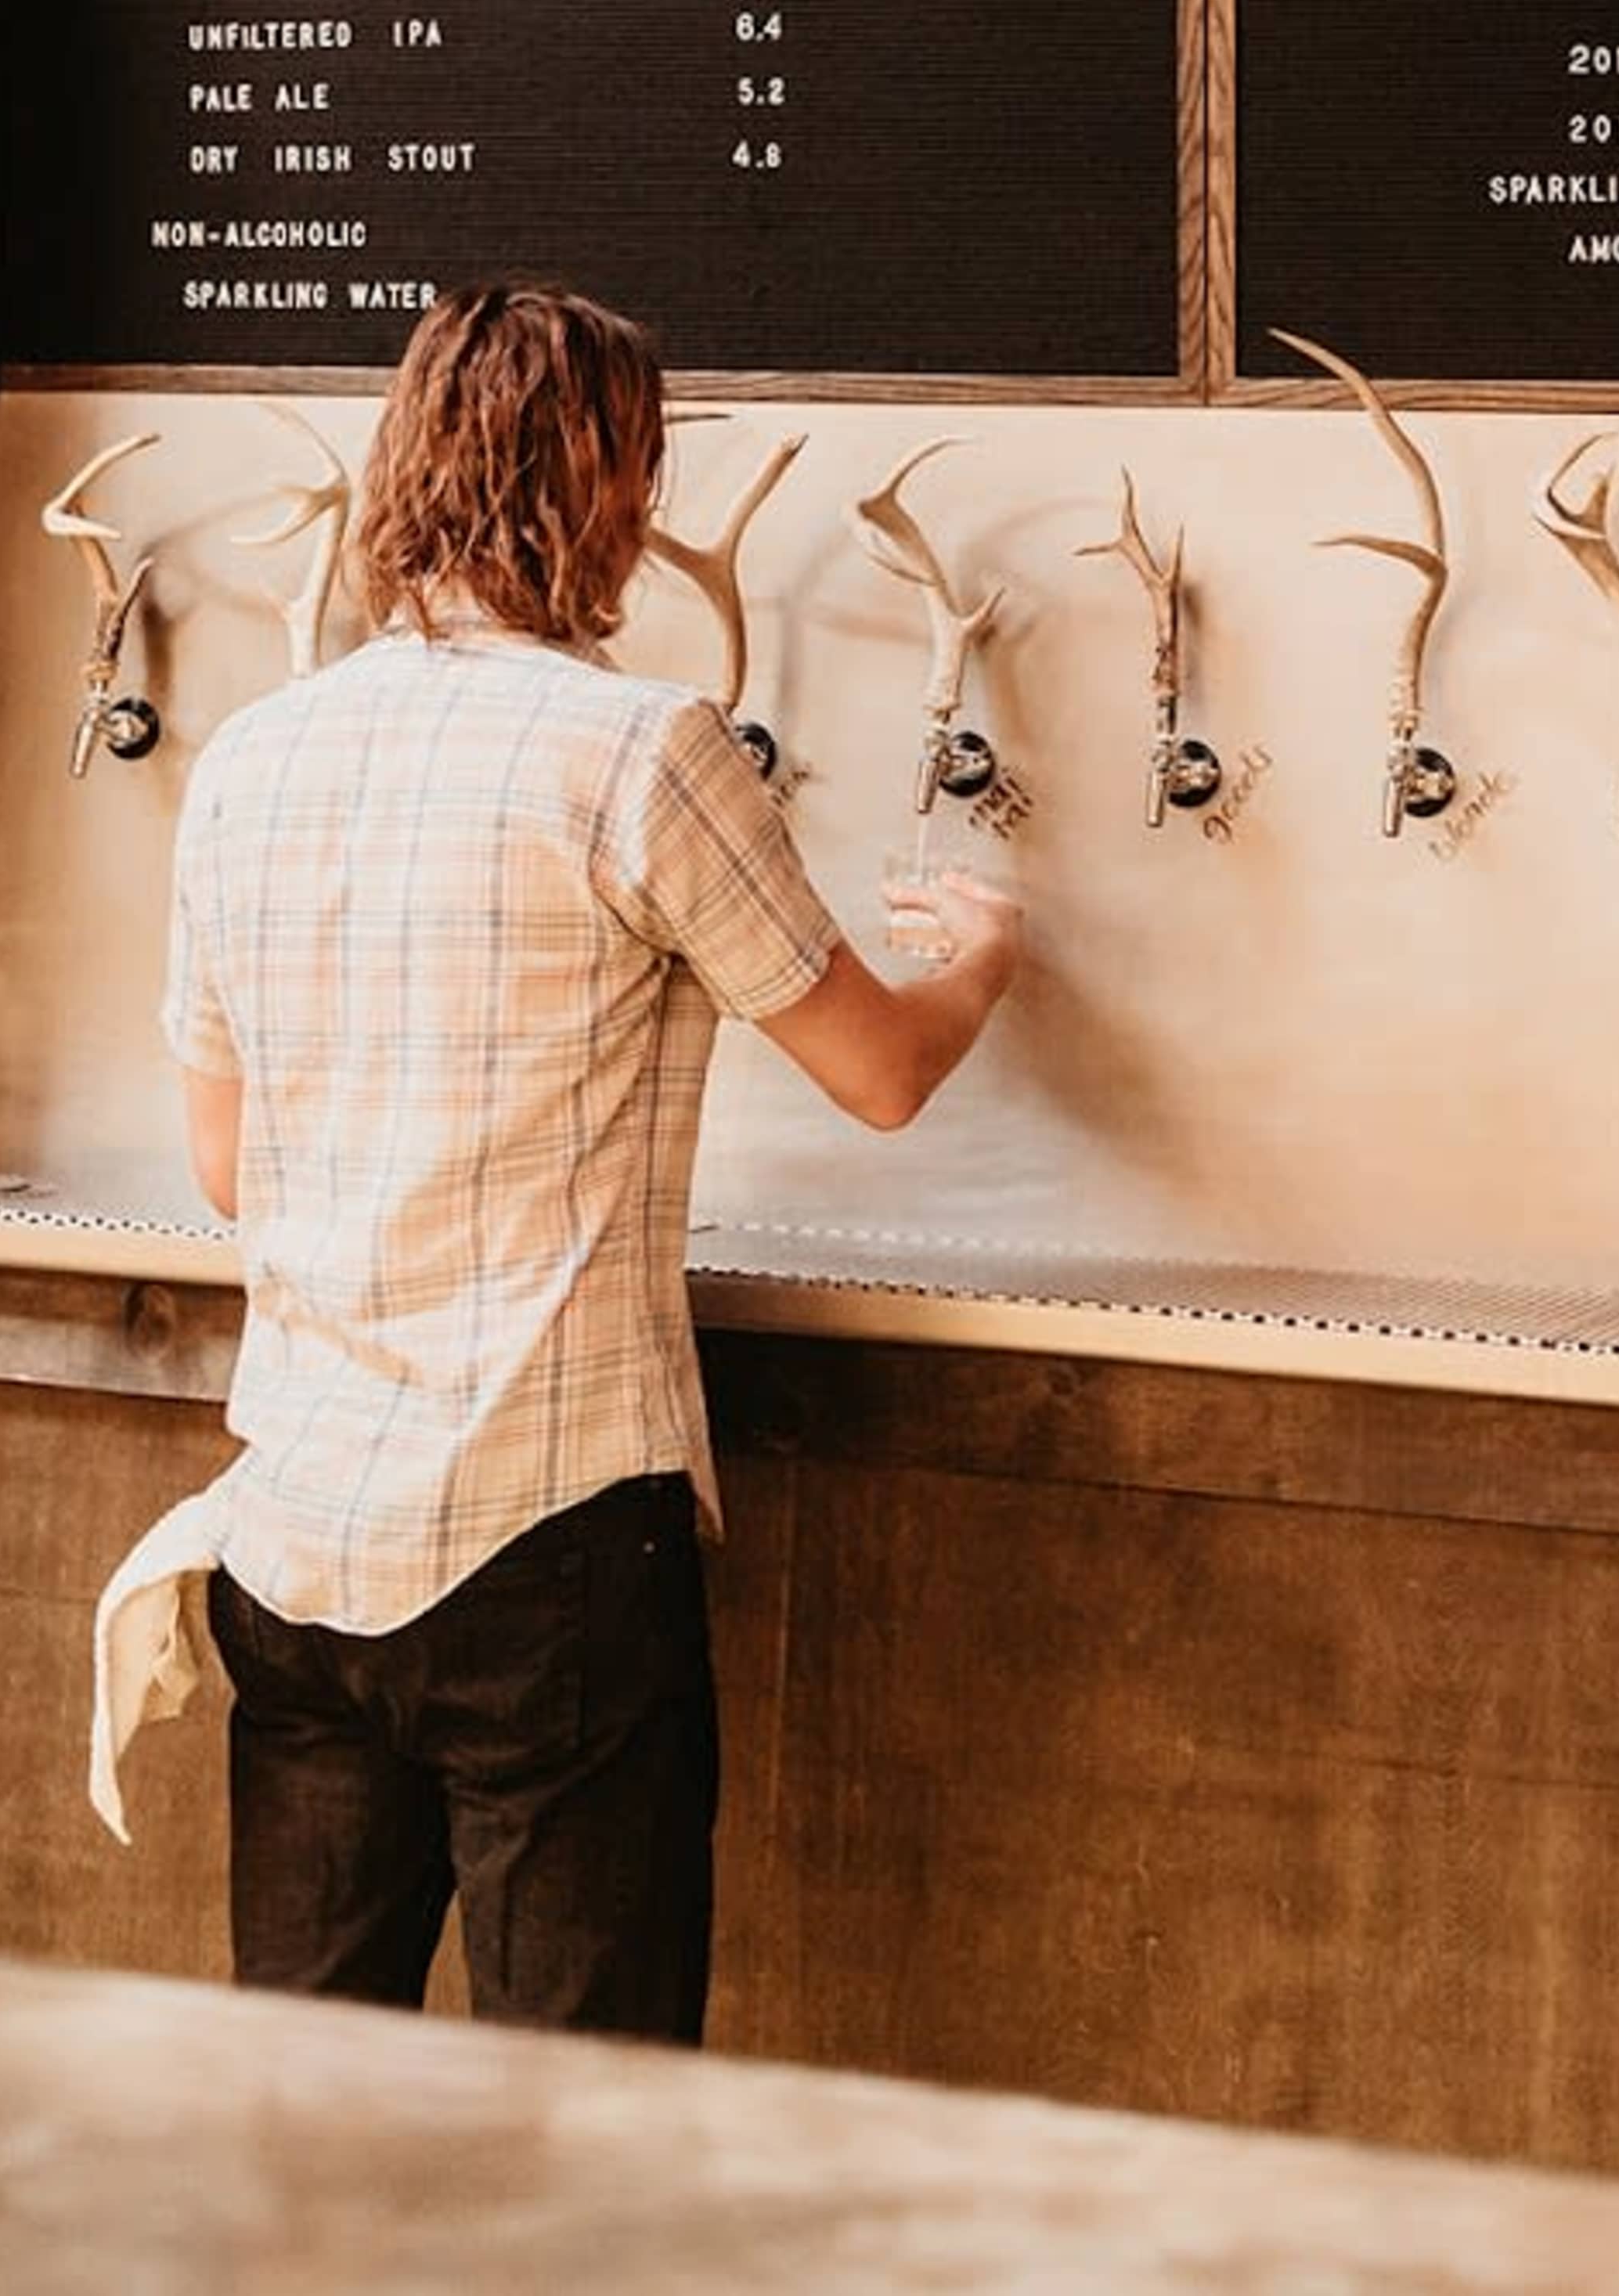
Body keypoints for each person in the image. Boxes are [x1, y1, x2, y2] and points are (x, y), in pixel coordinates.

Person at [161, 277, 1021, 2041]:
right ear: (611, 490)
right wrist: (988, 954)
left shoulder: (253, 758)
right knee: (584, 2135)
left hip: (295, 1542)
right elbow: (877, 1073)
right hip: (543, 1549)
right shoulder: (644, 749)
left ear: (407, 465)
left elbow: (230, 1163)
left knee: (302, 2106)